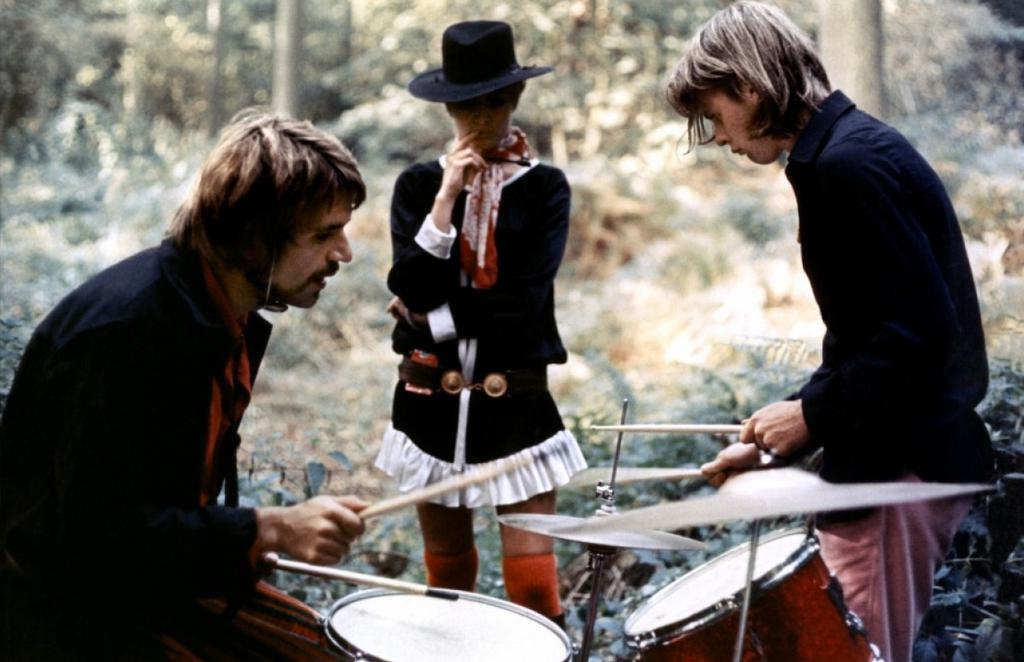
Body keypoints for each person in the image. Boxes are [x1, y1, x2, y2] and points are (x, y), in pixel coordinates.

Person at [666, 3, 993, 662]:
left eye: (713, 115)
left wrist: (812, 416)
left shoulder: (849, 165)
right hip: (889, 460)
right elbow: (869, 337)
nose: (717, 137)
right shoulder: (843, 151)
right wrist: (780, 439)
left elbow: (920, 336)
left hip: (898, 467)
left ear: (749, 88)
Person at [0, 110, 369, 660]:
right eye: (323, 234)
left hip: (142, 588)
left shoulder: (216, 314)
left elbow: (158, 508)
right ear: (252, 237)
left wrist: (247, 541)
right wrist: (266, 529)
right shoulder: (126, 334)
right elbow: (92, 541)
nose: (344, 253)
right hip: (63, 614)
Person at [374, 20, 586, 628]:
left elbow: (524, 304)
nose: (481, 117)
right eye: (467, 105)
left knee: (535, 589)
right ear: (448, 108)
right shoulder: (419, 185)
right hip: (429, 407)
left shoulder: (545, 189)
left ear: (515, 97)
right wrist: (446, 199)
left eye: (494, 101)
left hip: (516, 406)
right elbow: (410, 283)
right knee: (446, 579)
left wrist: (428, 321)